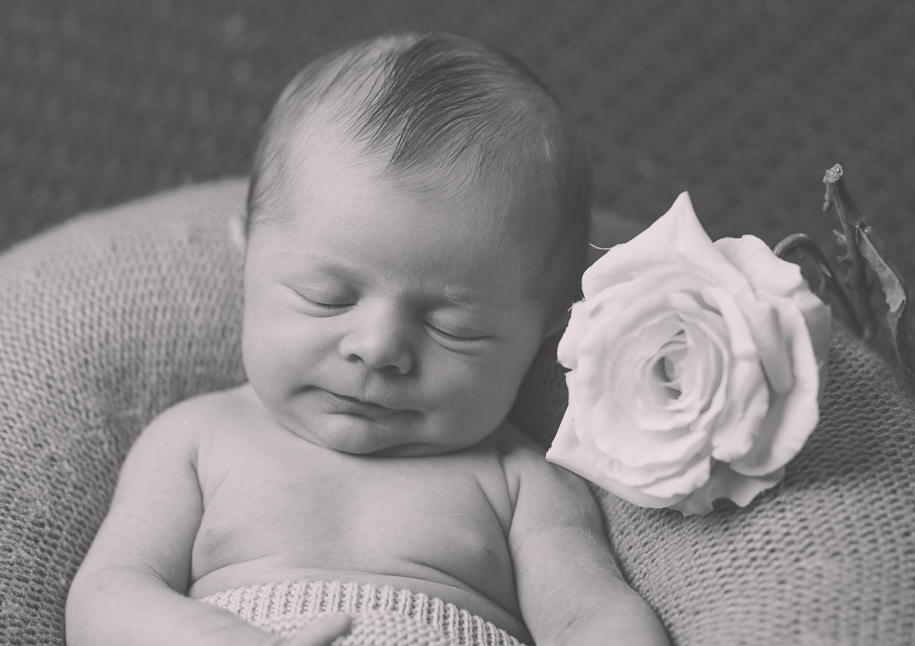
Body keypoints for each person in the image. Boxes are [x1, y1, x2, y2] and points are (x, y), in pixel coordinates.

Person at [65, 31, 670, 646]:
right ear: (248, 257)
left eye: (451, 326)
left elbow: (594, 618)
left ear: (547, 327)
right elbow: (109, 595)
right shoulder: (195, 440)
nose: (379, 348)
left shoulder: (522, 483)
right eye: (328, 296)